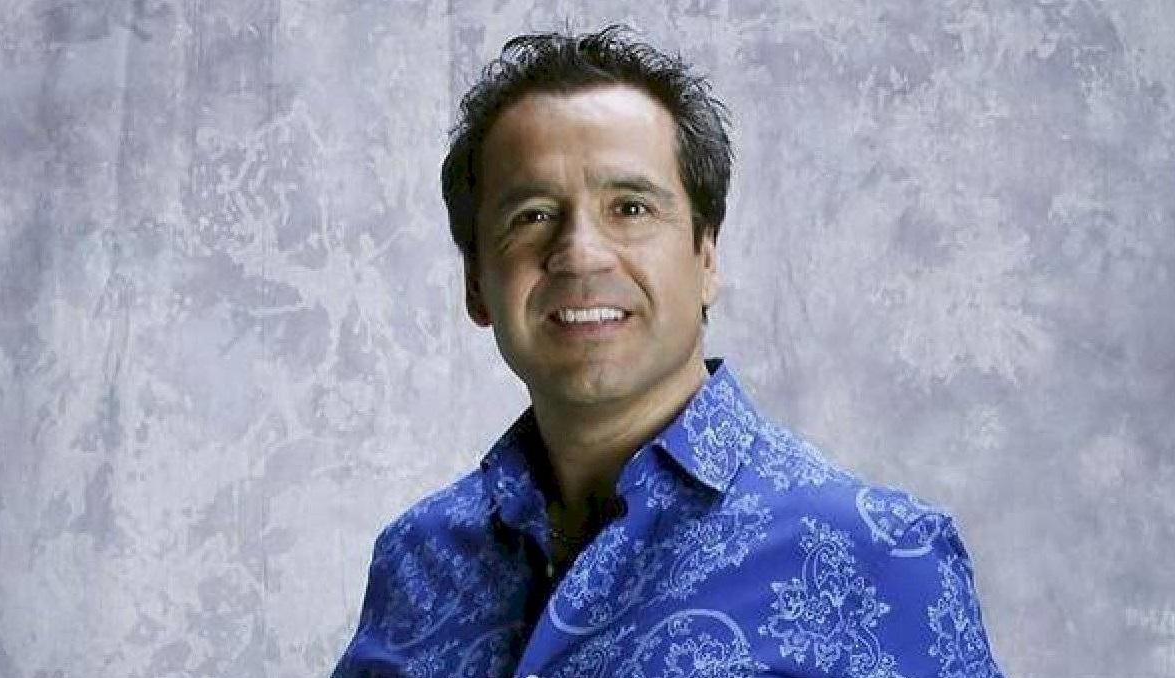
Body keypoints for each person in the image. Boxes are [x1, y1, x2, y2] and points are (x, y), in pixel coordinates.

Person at [332, 25, 1004, 678]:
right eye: (532, 215)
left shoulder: (878, 553)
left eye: (630, 208)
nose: (580, 254)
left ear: (706, 257)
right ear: (477, 284)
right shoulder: (416, 558)